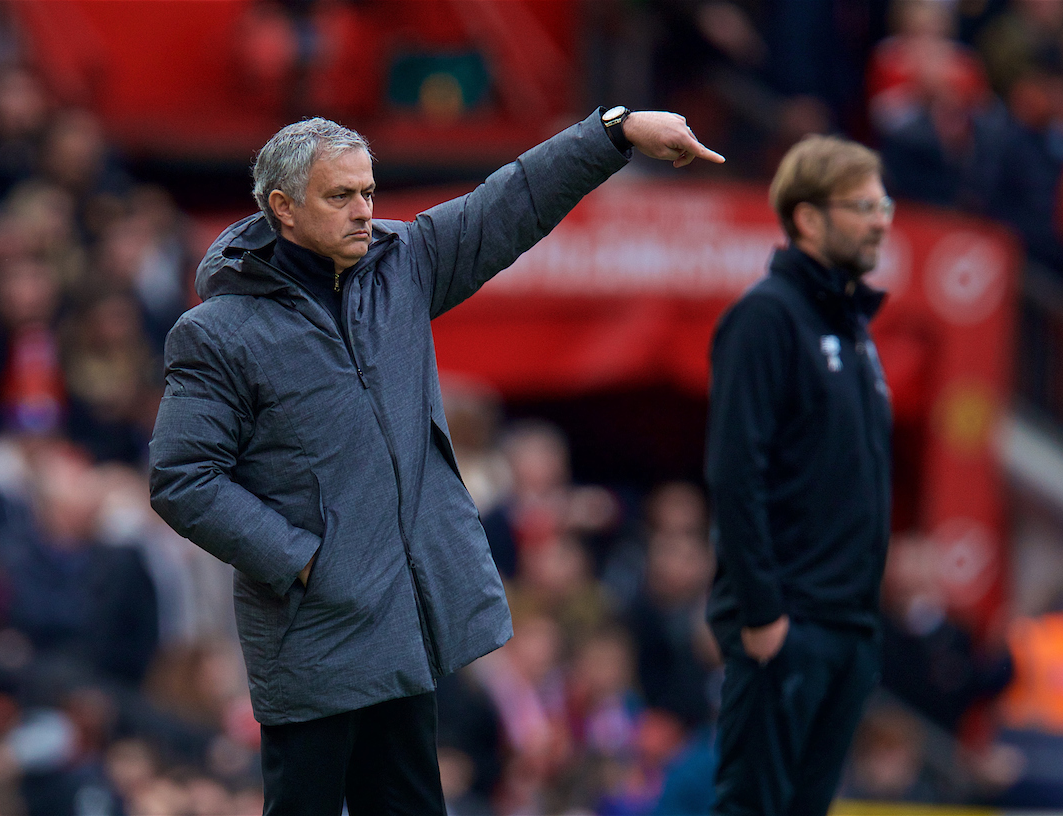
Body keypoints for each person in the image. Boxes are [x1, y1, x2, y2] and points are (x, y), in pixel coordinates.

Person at [147, 107, 722, 815]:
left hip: (404, 630)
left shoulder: (403, 262)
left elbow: (509, 202)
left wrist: (613, 132)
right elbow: (182, 479)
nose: (364, 211)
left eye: (368, 191)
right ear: (282, 209)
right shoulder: (215, 334)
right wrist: (303, 561)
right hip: (313, 638)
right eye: (341, 196)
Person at [704, 134, 894, 816]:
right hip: (789, 623)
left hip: (847, 627)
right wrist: (763, 615)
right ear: (808, 217)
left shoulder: (854, 330)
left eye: (884, 204)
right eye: (863, 205)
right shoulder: (766, 317)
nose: (880, 220)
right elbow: (734, 472)